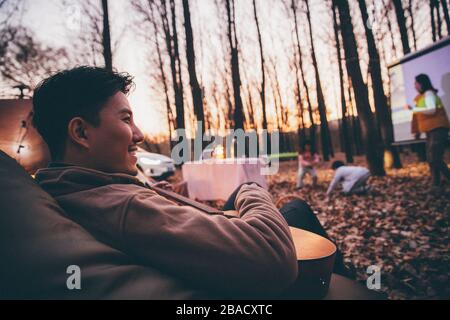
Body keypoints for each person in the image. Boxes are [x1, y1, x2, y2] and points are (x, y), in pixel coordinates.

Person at [32, 66, 297, 298]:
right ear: (81, 132)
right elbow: (271, 257)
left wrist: (155, 194)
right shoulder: (124, 206)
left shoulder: (65, 189)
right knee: (293, 209)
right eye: (126, 119)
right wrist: (254, 188)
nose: (139, 134)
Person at [406, 74, 450, 189]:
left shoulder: (429, 94)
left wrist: (414, 109)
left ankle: (442, 182)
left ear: (421, 83)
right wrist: (417, 131)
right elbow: (420, 118)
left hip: (438, 130)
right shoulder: (421, 97)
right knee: (432, 159)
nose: (414, 86)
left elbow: (431, 110)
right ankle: (436, 185)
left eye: (416, 83)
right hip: (431, 131)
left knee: (434, 158)